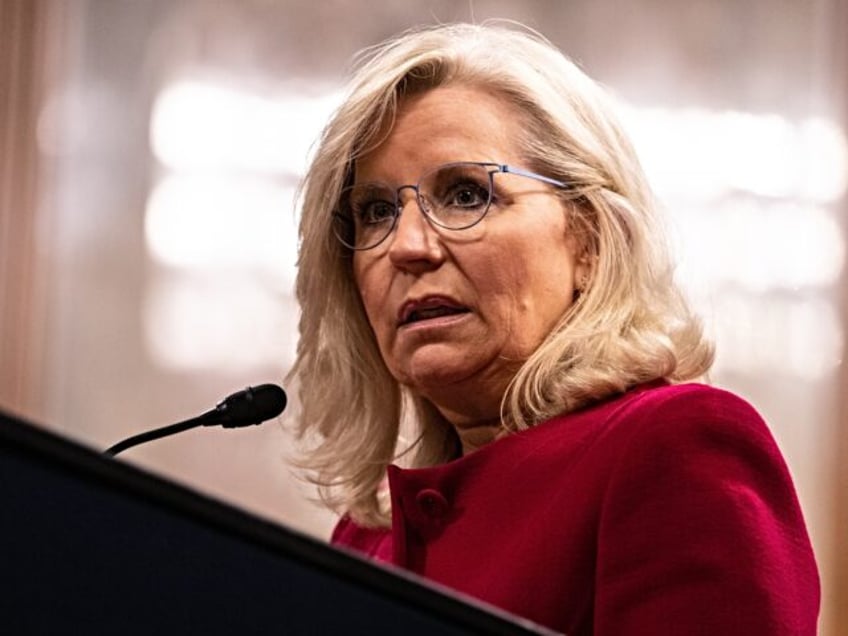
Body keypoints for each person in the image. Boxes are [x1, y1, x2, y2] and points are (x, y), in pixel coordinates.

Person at [286, 21, 819, 634]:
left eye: (464, 194)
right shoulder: (366, 536)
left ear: (588, 240)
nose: (407, 246)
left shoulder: (674, 448)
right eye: (376, 211)